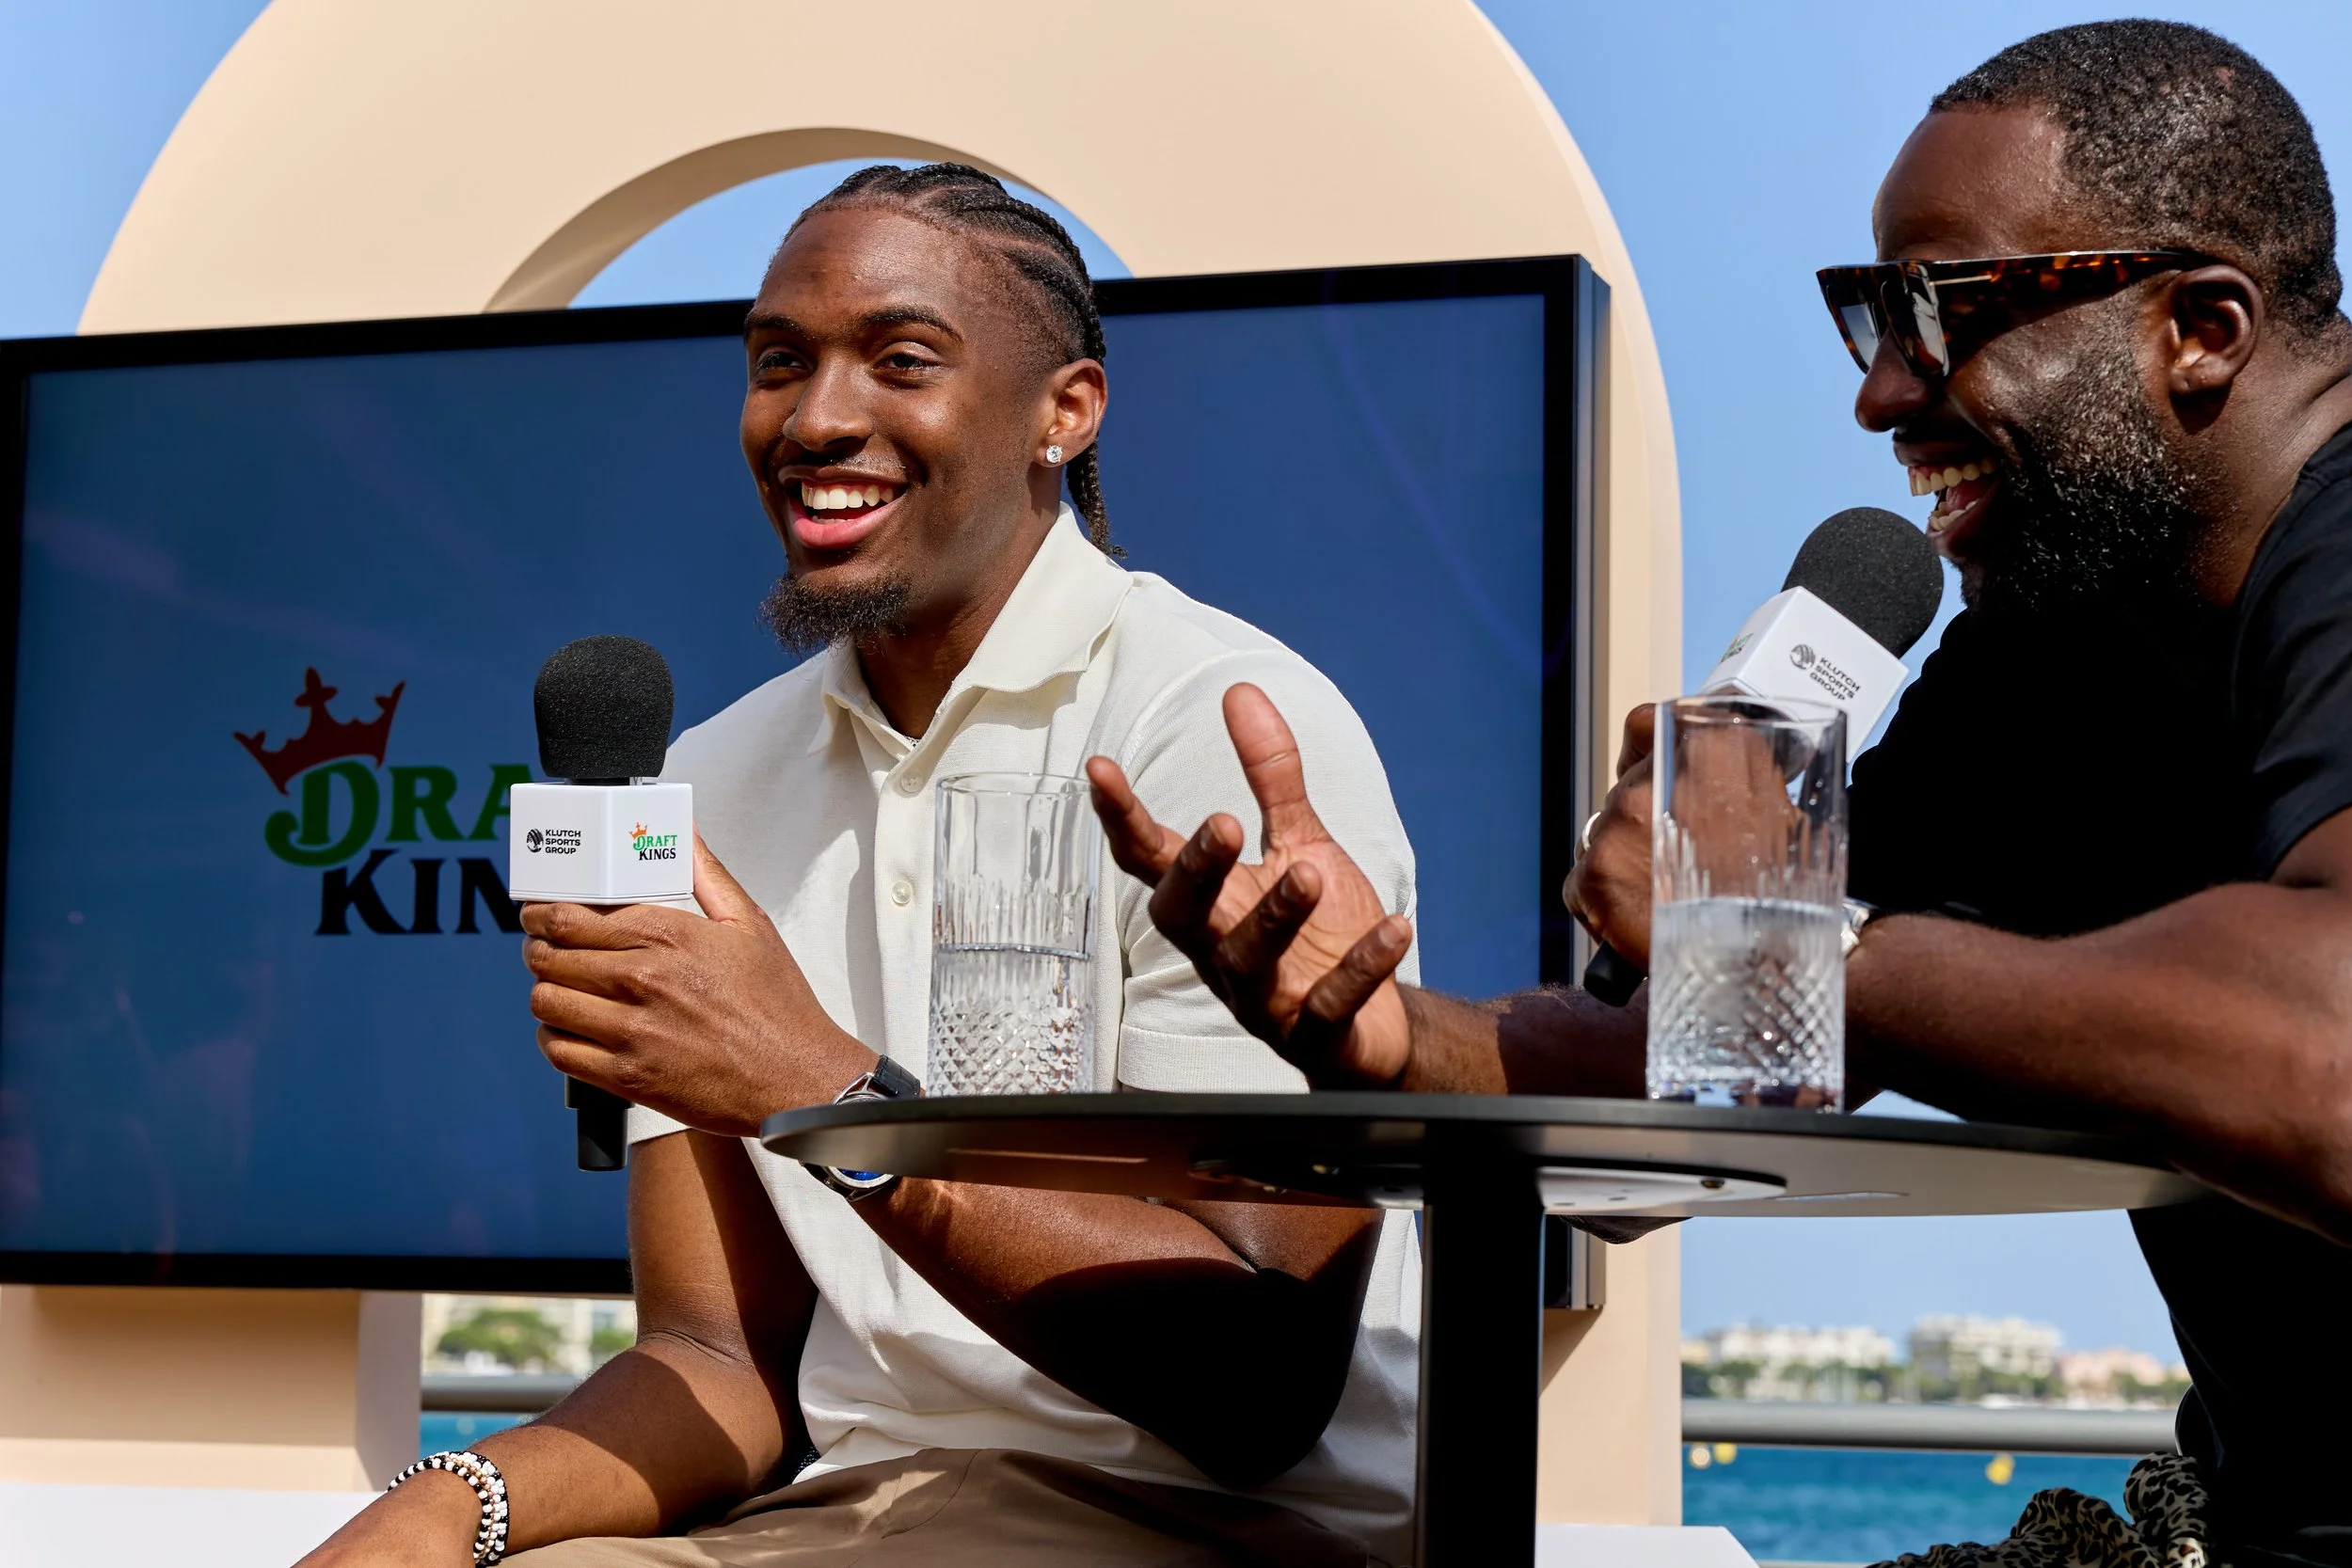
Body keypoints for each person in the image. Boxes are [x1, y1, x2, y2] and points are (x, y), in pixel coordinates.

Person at [1091, 24, 2352, 1568]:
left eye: (1935, 311)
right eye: (1864, 316)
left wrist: (1780, 933)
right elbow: (1684, 1099)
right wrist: (1385, 1031)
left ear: (2202, 326)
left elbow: (2333, 1064)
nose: (1880, 393)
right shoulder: (2049, 653)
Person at [299, 164, 1422, 1568]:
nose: (816, 418)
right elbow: (718, 1359)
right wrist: (441, 1505)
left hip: (1217, 1525)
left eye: (902, 360)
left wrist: (821, 1091)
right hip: (843, 1515)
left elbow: (1258, 1389)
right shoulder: (710, 779)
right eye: (779, 362)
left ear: (1065, 413)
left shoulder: (1211, 730)